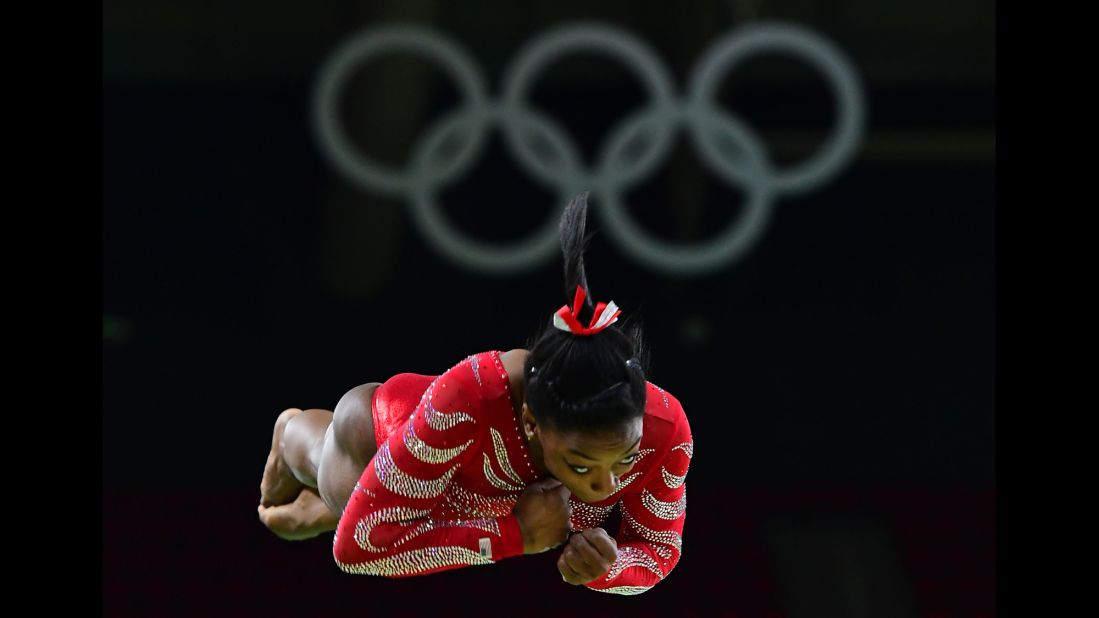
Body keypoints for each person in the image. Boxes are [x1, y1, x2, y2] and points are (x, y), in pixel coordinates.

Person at [257, 193, 692, 595]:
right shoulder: (472, 397)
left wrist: (605, 569)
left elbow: (660, 550)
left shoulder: (665, 429)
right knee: (336, 489)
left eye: (625, 458)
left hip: (466, 497)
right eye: (580, 464)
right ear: (530, 423)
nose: (605, 485)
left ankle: (331, 510)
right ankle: (292, 434)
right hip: (377, 440)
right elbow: (356, 550)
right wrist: (515, 537)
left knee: (332, 520)